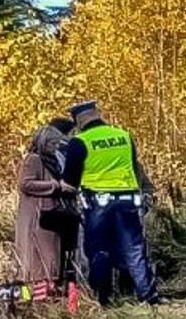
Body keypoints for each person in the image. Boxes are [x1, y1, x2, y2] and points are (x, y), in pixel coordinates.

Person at [61, 100, 160, 305]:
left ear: (78, 121)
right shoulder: (124, 136)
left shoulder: (79, 142)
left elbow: (70, 182)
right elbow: (135, 168)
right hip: (128, 202)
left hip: (98, 205)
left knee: (99, 251)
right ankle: (148, 296)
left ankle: (103, 299)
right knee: (134, 249)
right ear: (97, 114)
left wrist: (62, 186)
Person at [14, 118, 81, 294]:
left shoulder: (51, 160)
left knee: (51, 263)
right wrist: (57, 186)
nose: (56, 146)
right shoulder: (33, 159)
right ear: (44, 142)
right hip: (37, 219)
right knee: (40, 265)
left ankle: (48, 298)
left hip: (50, 218)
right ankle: (38, 303)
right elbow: (25, 184)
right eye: (53, 143)